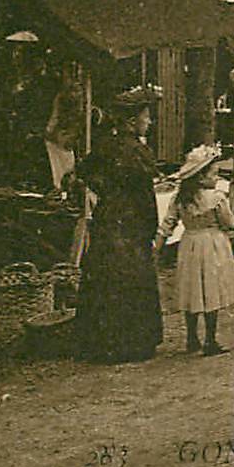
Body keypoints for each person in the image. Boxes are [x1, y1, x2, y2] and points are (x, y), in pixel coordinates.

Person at [73, 86, 164, 363]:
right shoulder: (137, 151)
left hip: (108, 218)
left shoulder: (106, 146)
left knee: (105, 275)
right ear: (132, 121)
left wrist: (104, 188)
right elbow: (145, 195)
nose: (149, 122)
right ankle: (133, 343)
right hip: (131, 220)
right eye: (146, 117)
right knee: (131, 277)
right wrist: (152, 226)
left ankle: (101, 343)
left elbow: (84, 171)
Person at [154, 144, 234, 357]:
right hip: (212, 243)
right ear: (201, 177)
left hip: (190, 244)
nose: (217, 178)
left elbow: (168, 223)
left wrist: (158, 245)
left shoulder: (181, 197)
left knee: (192, 289)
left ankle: (192, 337)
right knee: (212, 289)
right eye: (214, 173)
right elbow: (230, 223)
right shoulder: (217, 197)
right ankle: (210, 339)